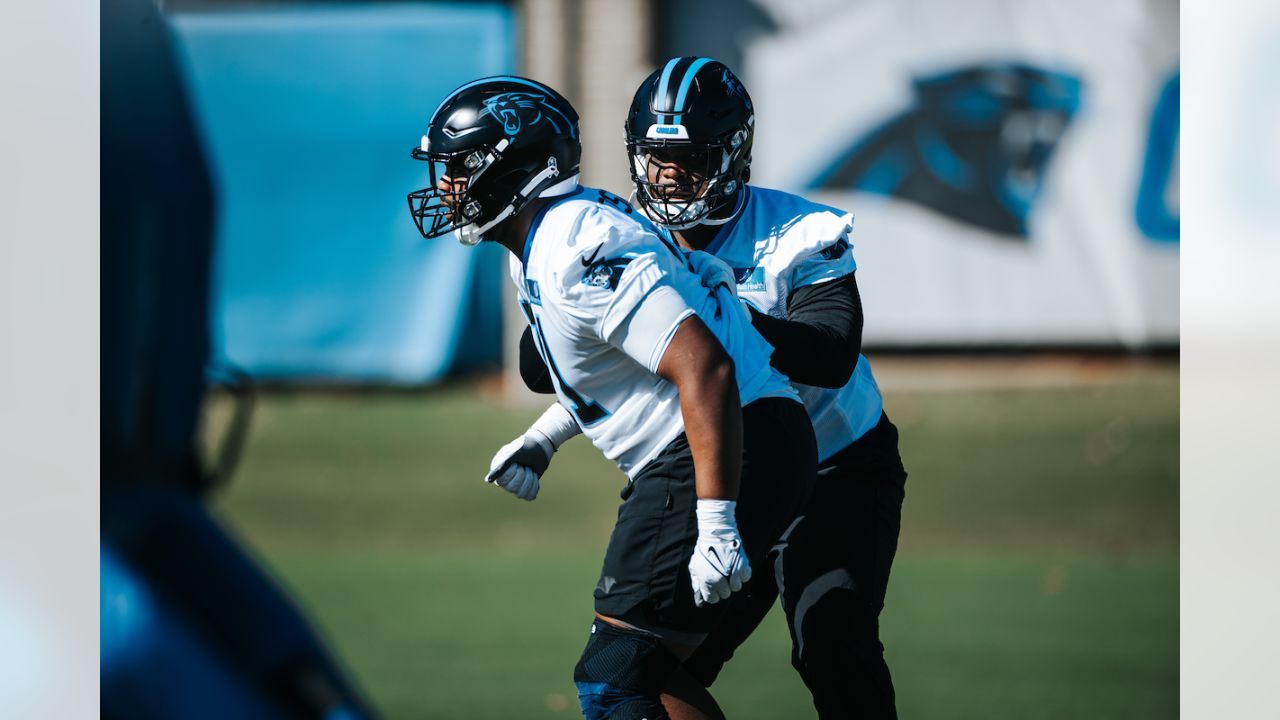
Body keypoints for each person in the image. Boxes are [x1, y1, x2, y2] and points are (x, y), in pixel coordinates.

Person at [493, 58, 908, 719]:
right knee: (651, 666)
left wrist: (718, 319)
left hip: (837, 469)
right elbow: (544, 362)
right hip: (730, 469)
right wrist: (551, 425)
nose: (670, 176)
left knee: (831, 639)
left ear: (733, 154)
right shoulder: (622, 236)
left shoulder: (796, 230)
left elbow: (830, 353)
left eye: (690, 158)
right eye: (657, 159)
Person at [407, 75, 817, 719]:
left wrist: (716, 522)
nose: (446, 187)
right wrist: (545, 436)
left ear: (514, 166)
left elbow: (703, 366)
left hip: (718, 447)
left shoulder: (575, 247)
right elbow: (625, 367)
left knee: (616, 678)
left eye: (460, 168)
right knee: (647, 674)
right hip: (743, 440)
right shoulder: (545, 242)